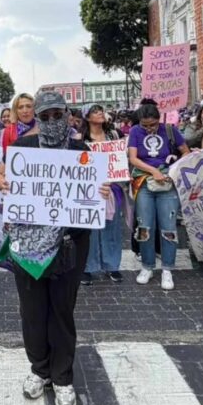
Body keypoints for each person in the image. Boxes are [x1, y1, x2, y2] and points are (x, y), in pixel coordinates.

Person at [0, 91, 110, 405]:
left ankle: (62, 376)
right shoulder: (22, 149)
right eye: (45, 116)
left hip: (70, 242)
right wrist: (3, 181)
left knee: (61, 310)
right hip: (29, 241)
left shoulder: (81, 150)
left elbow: (99, 189)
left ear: (68, 115)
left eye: (58, 115)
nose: (52, 121)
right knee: (32, 310)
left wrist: (101, 190)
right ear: (36, 119)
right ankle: (39, 369)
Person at [127, 103, 190, 290]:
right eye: (145, 125)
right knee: (145, 226)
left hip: (168, 183)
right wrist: (153, 170)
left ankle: (167, 269)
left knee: (168, 226)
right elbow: (133, 158)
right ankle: (147, 266)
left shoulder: (170, 130)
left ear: (159, 119)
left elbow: (185, 150)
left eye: (153, 125)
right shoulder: (135, 132)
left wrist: (175, 164)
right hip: (144, 182)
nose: (149, 129)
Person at [81, 103, 126, 284]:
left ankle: (112, 265)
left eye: (100, 110)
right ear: (87, 117)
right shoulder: (80, 140)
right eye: (94, 111)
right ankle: (87, 267)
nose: (99, 113)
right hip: (89, 189)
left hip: (112, 188)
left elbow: (121, 160)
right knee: (89, 231)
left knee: (112, 228)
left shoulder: (114, 136)